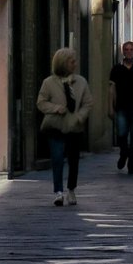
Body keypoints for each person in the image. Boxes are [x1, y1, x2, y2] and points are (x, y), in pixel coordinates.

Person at [36, 48, 93, 207]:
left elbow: (88, 103)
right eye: (71, 61)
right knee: (57, 158)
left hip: (74, 127)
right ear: (62, 63)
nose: (74, 64)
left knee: (73, 160)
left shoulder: (81, 82)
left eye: (74, 61)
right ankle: (58, 192)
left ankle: (71, 189)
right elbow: (41, 102)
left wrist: (80, 116)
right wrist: (55, 108)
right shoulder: (49, 83)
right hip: (56, 126)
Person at [107, 39, 133, 175]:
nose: (129, 52)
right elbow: (111, 89)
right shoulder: (116, 69)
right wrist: (110, 107)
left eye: (131, 49)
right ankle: (123, 153)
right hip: (121, 108)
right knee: (121, 134)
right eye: (126, 49)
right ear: (123, 52)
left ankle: (132, 165)